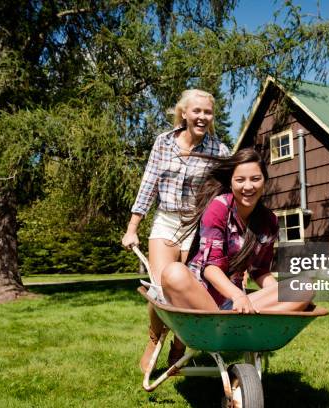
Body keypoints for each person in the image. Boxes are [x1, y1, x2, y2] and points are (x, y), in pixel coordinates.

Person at [121, 89, 230, 372]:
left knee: (188, 286)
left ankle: (180, 344)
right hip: (166, 221)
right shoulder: (164, 142)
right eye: (197, 111)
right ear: (184, 113)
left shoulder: (219, 150)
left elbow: (227, 193)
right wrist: (132, 228)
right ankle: (154, 339)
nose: (203, 117)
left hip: (198, 225)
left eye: (208, 112)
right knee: (159, 290)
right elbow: (148, 184)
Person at [161, 148, 313, 313]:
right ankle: (221, 326)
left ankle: (225, 326)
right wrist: (238, 296)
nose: (248, 186)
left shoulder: (270, 221)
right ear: (230, 182)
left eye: (255, 179)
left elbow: (260, 270)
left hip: (233, 304)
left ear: (265, 181)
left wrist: (284, 295)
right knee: (173, 272)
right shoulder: (218, 208)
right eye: (240, 180)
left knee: (304, 288)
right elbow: (211, 268)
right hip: (200, 294)